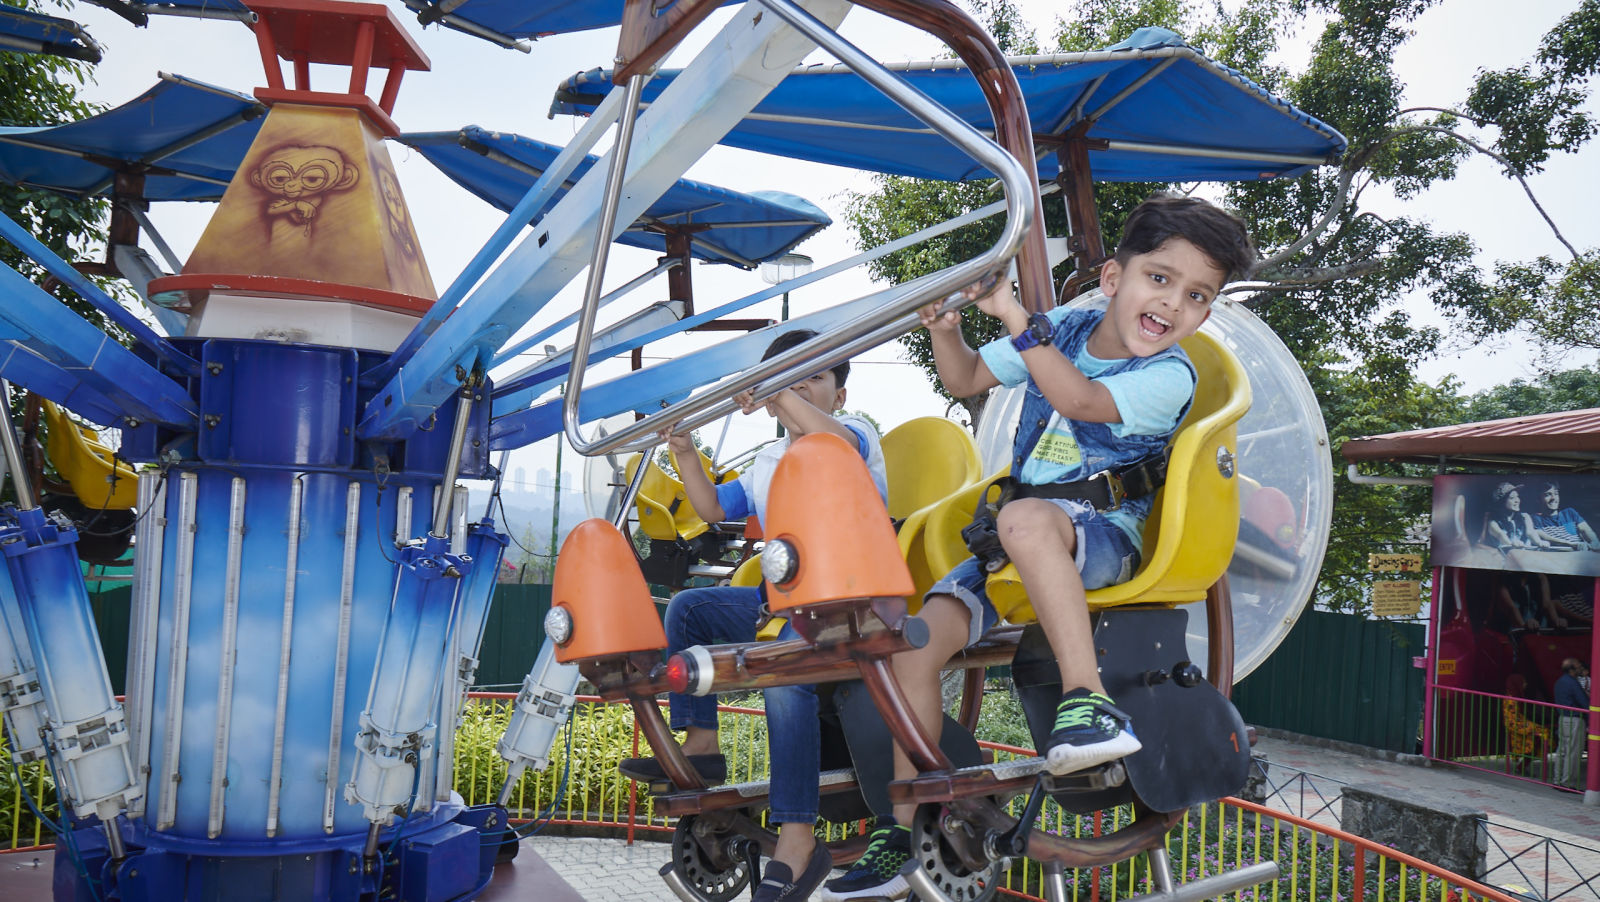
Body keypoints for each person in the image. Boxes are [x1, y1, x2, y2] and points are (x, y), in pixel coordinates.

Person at [822, 194, 1255, 902]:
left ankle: (1087, 702)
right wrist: (946, 328)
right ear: (1114, 279)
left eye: (1196, 295)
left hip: (1109, 535)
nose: (1173, 303)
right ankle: (906, 823)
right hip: (1019, 542)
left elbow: (1081, 399)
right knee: (912, 644)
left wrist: (1019, 317)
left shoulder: (1170, 375)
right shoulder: (1070, 326)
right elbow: (963, 379)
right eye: (1160, 278)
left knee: (1023, 519)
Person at [617, 328, 888, 902]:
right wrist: (686, 451)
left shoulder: (855, 433)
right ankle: (703, 743)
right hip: (782, 602)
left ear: (839, 394)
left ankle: (798, 837)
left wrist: (777, 389)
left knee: (783, 674)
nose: (802, 387)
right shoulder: (771, 457)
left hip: (849, 604)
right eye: (792, 376)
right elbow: (714, 508)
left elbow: (836, 446)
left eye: (814, 376)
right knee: (692, 610)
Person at [1484, 482, 1562, 553]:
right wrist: (1512, 544)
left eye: (1517, 497)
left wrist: (1539, 542)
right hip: (1506, 560)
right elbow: (1501, 535)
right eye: (1512, 498)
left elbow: (1531, 533)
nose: (1517, 500)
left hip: (1525, 558)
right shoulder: (1493, 522)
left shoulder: (1525, 516)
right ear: (1502, 502)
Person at [1553, 657, 1590, 790]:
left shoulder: (1560, 682)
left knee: (1562, 751)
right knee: (1573, 752)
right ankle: (1568, 783)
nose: (1581, 667)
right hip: (1574, 719)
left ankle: (1558, 780)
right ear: (1572, 669)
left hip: (1563, 718)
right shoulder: (1573, 683)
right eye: (1578, 666)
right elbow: (1584, 703)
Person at [1530, 481, 1600, 551]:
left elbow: (1586, 530)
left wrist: (1595, 542)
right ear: (1538, 499)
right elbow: (1544, 537)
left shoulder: (1570, 513)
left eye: (1556, 493)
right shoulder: (1535, 519)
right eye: (1547, 495)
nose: (1553, 498)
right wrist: (1571, 544)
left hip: (1580, 555)